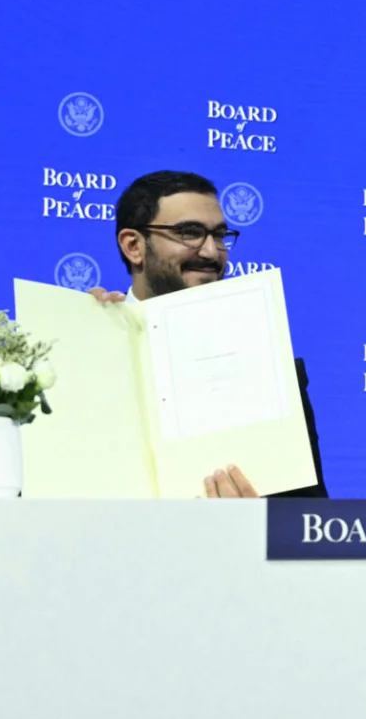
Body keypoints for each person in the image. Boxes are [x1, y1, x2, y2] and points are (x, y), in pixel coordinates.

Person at [86, 170, 328, 499]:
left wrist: (259, 522)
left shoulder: (275, 375)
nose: (212, 253)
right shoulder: (75, 354)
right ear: (134, 246)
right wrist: (85, 333)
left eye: (219, 236)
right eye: (190, 233)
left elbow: (307, 521)